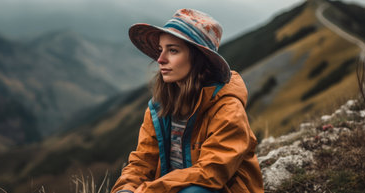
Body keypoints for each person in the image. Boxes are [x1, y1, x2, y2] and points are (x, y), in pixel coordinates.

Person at [111, 9, 263, 193]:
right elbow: (142, 161)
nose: (160, 59)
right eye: (161, 50)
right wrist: (125, 189)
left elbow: (212, 172)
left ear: (199, 59)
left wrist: (148, 191)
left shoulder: (228, 108)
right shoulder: (158, 108)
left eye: (173, 50)